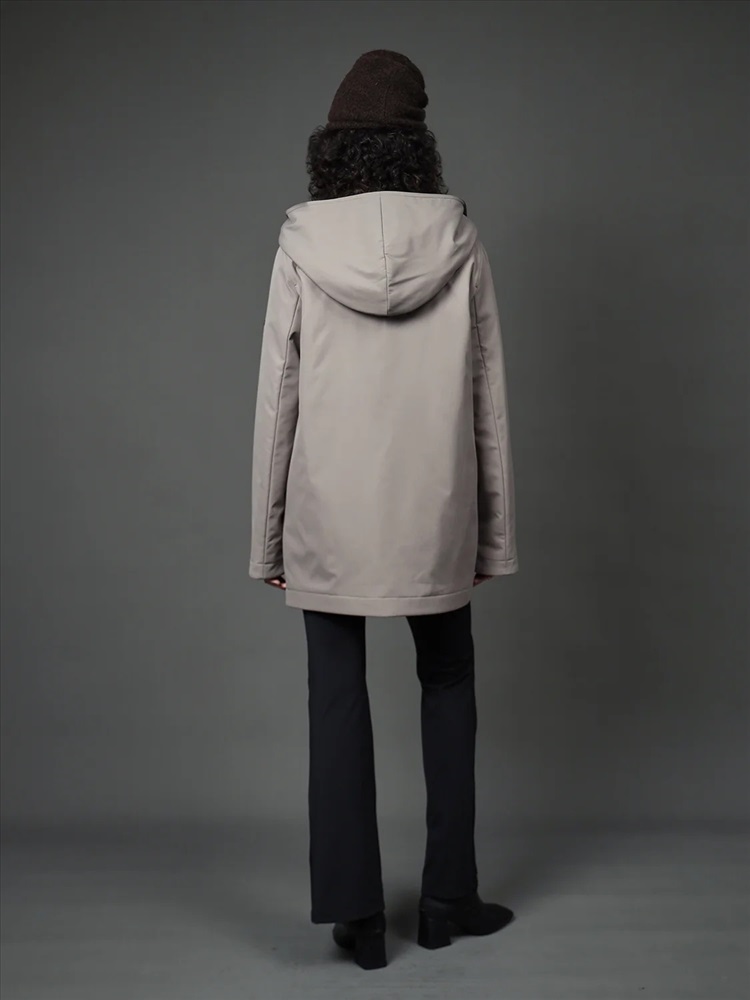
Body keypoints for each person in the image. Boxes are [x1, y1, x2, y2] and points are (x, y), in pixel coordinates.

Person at [249, 49, 518, 970]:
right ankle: (447, 898)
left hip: (328, 513)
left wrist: (267, 539)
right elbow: (486, 397)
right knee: (448, 681)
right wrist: (493, 536)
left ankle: (357, 918)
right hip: (435, 510)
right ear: (418, 147)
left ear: (334, 148)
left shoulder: (301, 243)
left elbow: (278, 398)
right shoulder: (460, 239)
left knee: (335, 695)